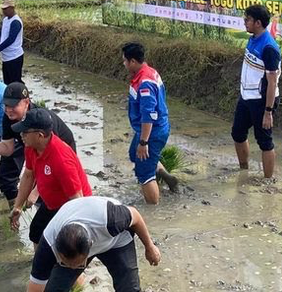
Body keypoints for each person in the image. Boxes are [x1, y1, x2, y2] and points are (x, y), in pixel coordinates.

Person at [0, 82, 76, 208]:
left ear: (26, 102)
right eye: (6, 105)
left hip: (60, 153)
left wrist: (35, 192)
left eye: (13, 105)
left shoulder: (41, 120)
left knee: (49, 191)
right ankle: (18, 209)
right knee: (6, 177)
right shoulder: (9, 117)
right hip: (30, 145)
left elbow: (52, 163)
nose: (8, 109)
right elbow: (8, 148)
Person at [27, 196, 161, 292]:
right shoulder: (48, 245)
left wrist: (149, 247)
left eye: (79, 264)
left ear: (91, 246)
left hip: (116, 240)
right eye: (66, 263)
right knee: (55, 288)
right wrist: (70, 265)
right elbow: (35, 287)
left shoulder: (111, 219)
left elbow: (136, 216)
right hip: (78, 239)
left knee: (129, 287)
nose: (74, 268)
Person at [10, 109, 92, 247]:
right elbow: (28, 175)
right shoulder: (31, 146)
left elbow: (78, 200)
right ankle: (40, 266)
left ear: (40, 135)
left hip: (70, 207)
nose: (21, 135)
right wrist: (18, 206)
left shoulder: (61, 159)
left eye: (25, 132)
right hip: (51, 204)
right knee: (36, 232)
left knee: (65, 244)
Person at [122, 42, 178, 205]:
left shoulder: (145, 83)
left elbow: (148, 116)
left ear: (133, 61)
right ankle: (165, 175)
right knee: (134, 154)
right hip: (149, 129)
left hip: (152, 131)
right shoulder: (148, 72)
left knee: (144, 173)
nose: (123, 64)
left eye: (125, 61)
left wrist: (144, 142)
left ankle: (154, 209)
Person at [232, 5, 281, 178]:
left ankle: (268, 181)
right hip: (246, 97)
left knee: (264, 141)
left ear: (258, 23)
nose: (244, 22)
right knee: (237, 133)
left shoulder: (269, 48)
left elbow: (272, 82)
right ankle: (243, 171)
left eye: (247, 20)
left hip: (261, 101)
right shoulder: (253, 38)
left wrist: (268, 112)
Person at [0, 0, 24, 85]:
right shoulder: (5, 20)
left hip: (14, 56)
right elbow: (0, 36)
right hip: (6, 57)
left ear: (12, 8)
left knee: (16, 82)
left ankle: (23, 97)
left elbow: (10, 40)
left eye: (5, 9)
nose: (3, 11)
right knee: (7, 81)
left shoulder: (16, 22)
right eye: (2, 9)